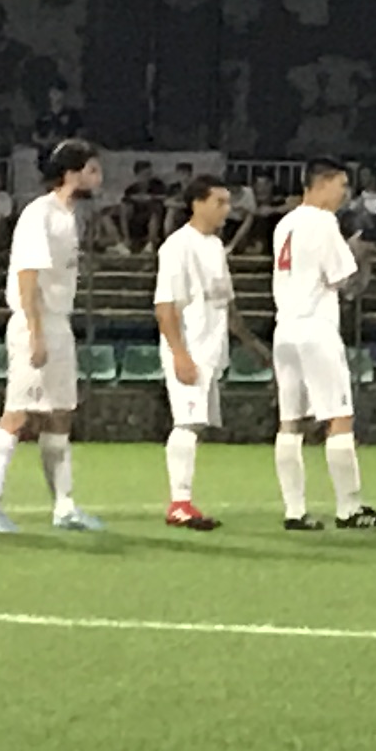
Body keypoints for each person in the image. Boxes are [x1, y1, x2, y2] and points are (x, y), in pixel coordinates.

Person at [0, 139, 105, 533]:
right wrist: (35, 333)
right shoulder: (40, 214)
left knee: (60, 413)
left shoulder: (69, 216)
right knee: (18, 413)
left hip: (59, 321)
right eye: (93, 170)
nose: (99, 178)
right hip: (35, 321)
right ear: (72, 173)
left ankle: (64, 506)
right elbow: (27, 275)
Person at [262, 161, 376, 530]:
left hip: (285, 328)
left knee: (290, 421)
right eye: (341, 185)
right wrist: (359, 255)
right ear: (323, 183)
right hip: (316, 327)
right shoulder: (323, 221)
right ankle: (349, 507)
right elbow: (344, 281)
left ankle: (294, 510)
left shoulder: (285, 223)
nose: (344, 193)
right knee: (339, 416)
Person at [154, 174, 239, 530]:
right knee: (187, 423)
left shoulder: (215, 246)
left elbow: (225, 302)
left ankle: (184, 501)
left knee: (196, 424)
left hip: (210, 350)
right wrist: (179, 354)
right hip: (190, 347)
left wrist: (251, 344)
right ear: (197, 203)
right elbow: (165, 306)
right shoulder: (177, 246)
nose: (226, 209)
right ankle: (179, 504)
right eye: (219, 202)